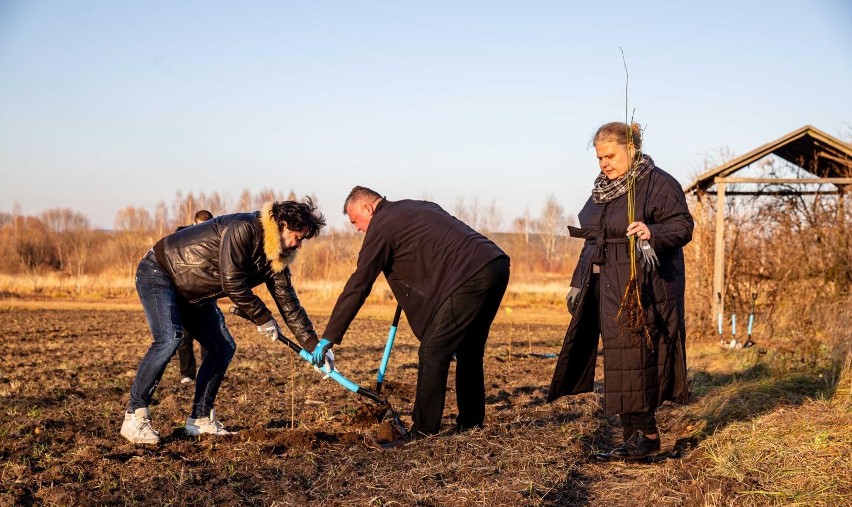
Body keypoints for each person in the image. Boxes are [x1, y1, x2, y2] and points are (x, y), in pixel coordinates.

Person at [310, 186, 510, 437]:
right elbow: (434, 251)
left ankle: (424, 430)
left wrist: (329, 336)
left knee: (433, 349)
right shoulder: (417, 206)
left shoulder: (381, 224)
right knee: (469, 350)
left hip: (470, 276)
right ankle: (471, 423)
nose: (358, 229)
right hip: (496, 265)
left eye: (355, 221)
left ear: (367, 208)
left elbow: (359, 283)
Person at [121, 199, 326, 444]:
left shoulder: (277, 257)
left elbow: (288, 301)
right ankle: (135, 415)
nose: (299, 245)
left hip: (195, 293)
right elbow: (232, 282)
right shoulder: (244, 228)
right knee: (169, 338)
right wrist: (263, 317)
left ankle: (200, 419)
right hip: (161, 271)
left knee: (222, 347)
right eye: (297, 237)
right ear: (282, 225)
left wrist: (314, 345)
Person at [547, 122, 693, 460]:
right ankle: (634, 436)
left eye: (609, 156)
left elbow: (683, 226)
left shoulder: (658, 183)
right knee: (619, 358)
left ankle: (646, 436)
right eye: (599, 158)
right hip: (605, 283)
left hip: (642, 286)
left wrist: (652, 231)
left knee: (635, 357)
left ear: (631, 148)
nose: (604, 164)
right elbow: (593, 240)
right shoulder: (603, 189)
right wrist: (577, 281)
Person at [175, 209, 214, 385]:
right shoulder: (181, 238)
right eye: (199, 227)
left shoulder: (215, 242)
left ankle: (207, 373)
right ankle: (187, 374)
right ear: (193, 224)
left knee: (208, 338)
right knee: (184, 337)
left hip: (206, 296)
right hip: (184, 296)